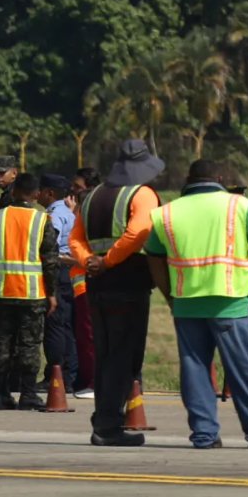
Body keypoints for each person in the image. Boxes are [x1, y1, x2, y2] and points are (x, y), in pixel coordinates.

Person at [145, 160, 248, 449]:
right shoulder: (241, 207)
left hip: (186, 303)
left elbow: (154, 258)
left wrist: (169, 297)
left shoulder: (166, 213)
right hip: (231, 302)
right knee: (244, 370)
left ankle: (204, 435)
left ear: (188, 179)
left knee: (194, 370)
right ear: (220, 178)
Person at [69, 139, 163, 445]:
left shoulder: (93, 195)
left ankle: (103, 419)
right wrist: (107, 261)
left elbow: (75, 238)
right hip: (128, 284)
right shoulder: (142, 194)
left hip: (96, 284)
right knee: (124, 356)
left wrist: (90, 261)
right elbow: (138, 233)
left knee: (106, 354)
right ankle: (108, 426)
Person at [0, 173, 59, 411]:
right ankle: (28, 393)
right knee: (30, 344)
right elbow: (50, 261)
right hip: (32, 294)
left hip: (1, 292)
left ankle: (2, 394)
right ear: (36, 194)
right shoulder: (42, 220)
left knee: (1, 345)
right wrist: (52, 292)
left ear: (13, 192)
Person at [37, 173, 79, 394]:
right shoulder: (68, 213)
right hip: (69, 274)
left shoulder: (54, 216)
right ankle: (69, 375)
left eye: (41, 190)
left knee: (54, 326)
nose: (37, 194)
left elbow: (50, 247)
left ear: (49, 193)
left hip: (58, 272)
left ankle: (54, 375)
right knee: (67, 326)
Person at [69, 166, 101, 397]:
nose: (73, 190)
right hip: (81, 282)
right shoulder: (84, 210)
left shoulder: (90, 211)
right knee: (84, 335)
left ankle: (94, 382)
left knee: (89, 335)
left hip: (86, 282)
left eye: (77, 187)